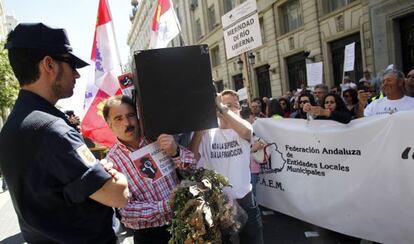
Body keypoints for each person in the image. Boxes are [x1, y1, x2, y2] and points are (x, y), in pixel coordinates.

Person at [0, 23, 129, 243]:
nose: (77, 75)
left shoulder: (11, 128)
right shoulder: (54, 130)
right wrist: (117, 175)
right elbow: (117, 195)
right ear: (49, 64)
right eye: (71, 64)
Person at [103, 95, 195, 244]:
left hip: (186, 222)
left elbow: (192, 169)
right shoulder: (111, 162)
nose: (127, 123)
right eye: (118, 119)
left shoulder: (157, 138)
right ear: (109, 124)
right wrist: (165, 206)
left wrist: (176, 152)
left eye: (131, 115)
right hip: (151, 236)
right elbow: (126, 211)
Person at [190, 90, 263, 244]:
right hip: (218, 205)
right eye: (226, 105)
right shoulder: (207, 133)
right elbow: (191, 157)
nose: (230, 109)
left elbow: (247, 130)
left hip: (246, 201)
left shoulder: (243, 130)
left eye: (234, 106)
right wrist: (198, 130)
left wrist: (220, 105)